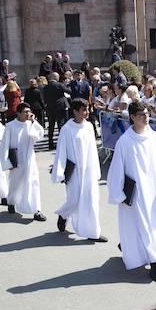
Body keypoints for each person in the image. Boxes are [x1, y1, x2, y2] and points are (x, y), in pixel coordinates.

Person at [108, 102, 156, 282]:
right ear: (132, 117)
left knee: (151, 225)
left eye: (146, 113)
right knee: (135, 225)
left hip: (152, 191)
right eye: (140, 114)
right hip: (132, 193)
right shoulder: (125, 141)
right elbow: (117, 169)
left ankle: (155, 262)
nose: (145, 117)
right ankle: (140, 254)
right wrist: (118, 193)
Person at [50, 99, 107, 242]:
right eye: (83, 110)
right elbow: (61, 151)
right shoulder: (67, 129)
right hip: (74, 170)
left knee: (92, 200)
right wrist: (60, 172)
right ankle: (63, 214)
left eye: (87, 109)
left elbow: (93, 149)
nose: (87, 112)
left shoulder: (88, 126)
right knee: (74, 199)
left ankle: (93, 232)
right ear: (75, 111)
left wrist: (95, 169)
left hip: (88, 170)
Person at [1, 103, 46, 221]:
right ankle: (11, 202)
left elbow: (39, 135)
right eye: (25, 112)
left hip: (30, 159)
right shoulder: (10, 126)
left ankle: (37, 210)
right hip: (16, 159)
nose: (28, 114)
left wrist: (34, 122)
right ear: (18, 113)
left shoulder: (30, 124)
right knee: (15, 183)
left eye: (29, 111)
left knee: (34, 183)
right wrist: (7, 163)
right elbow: (4, 145)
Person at [42, 71, 70, 149]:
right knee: (60, 124)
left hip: (50, 108)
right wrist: (66, 84)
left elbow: (45, 98)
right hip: (60, 106)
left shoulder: (46, 87)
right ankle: (62, 143)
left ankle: (50, 144)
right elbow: (69, 91)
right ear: (56, 78)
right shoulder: (60, 85)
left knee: (51, 126)